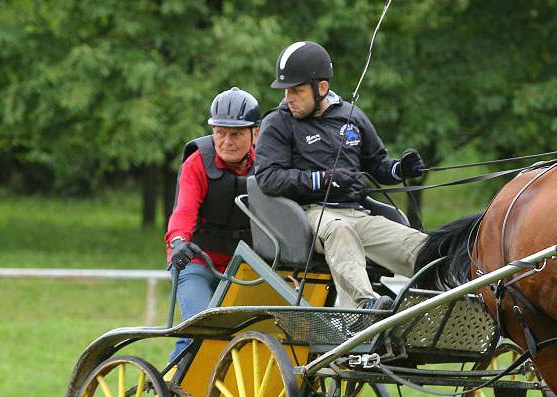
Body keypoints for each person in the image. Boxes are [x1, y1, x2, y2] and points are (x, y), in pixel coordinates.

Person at [254, 41, 428, 310]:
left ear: (321, 88)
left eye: (296, 90)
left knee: (422, 246)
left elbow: (378, 164)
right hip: (309, 215)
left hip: (358, 214)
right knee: (341, 230)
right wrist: (322, 179)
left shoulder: (352, 116)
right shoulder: (277, 123)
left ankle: (445, 305)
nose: (288, 98)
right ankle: (364, 309)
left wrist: (400, 170)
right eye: (287, 90)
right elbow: (269, 178)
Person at [166, 87, 261, 359]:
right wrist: (178, 242)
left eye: (237, 134)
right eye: (220, 132)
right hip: (196, 261)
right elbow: (183, 211)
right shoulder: (197, 163)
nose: (227, 141)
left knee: (261, 339)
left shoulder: (268, 164)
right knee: (199, 334)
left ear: (255, 133)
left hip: (245, 267)